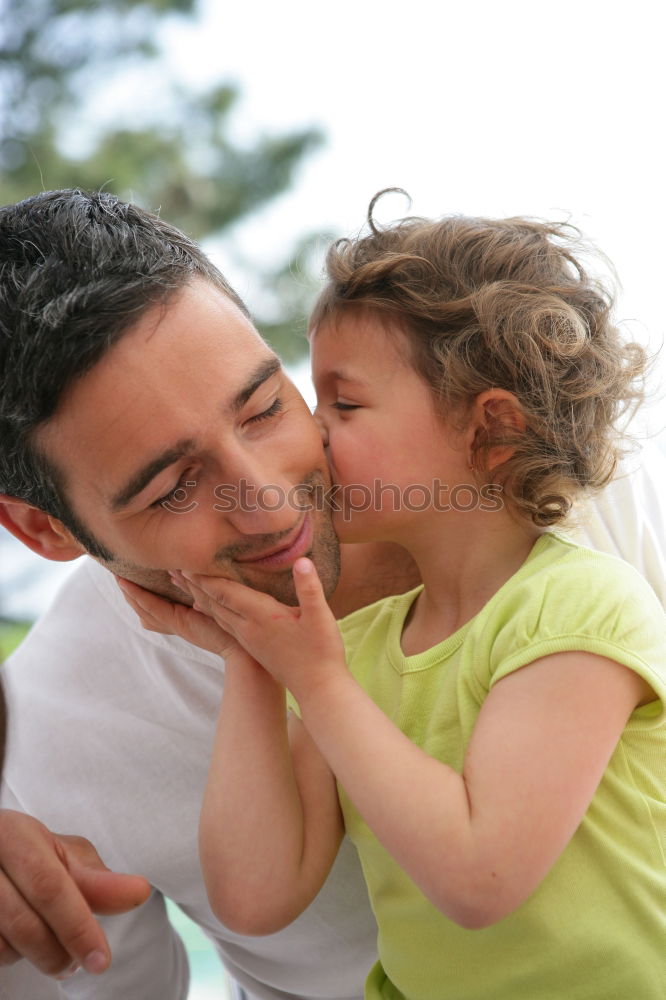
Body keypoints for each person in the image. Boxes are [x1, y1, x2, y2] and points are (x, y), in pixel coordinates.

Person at [0, 189, 663, 1000]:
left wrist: (307, 675)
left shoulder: (586, 530)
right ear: (43, 531)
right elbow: (255, 898)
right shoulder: (52, 740)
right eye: (173, 487)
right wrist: (255, 657)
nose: (270, 502)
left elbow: (482, 874)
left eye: (266, 407)